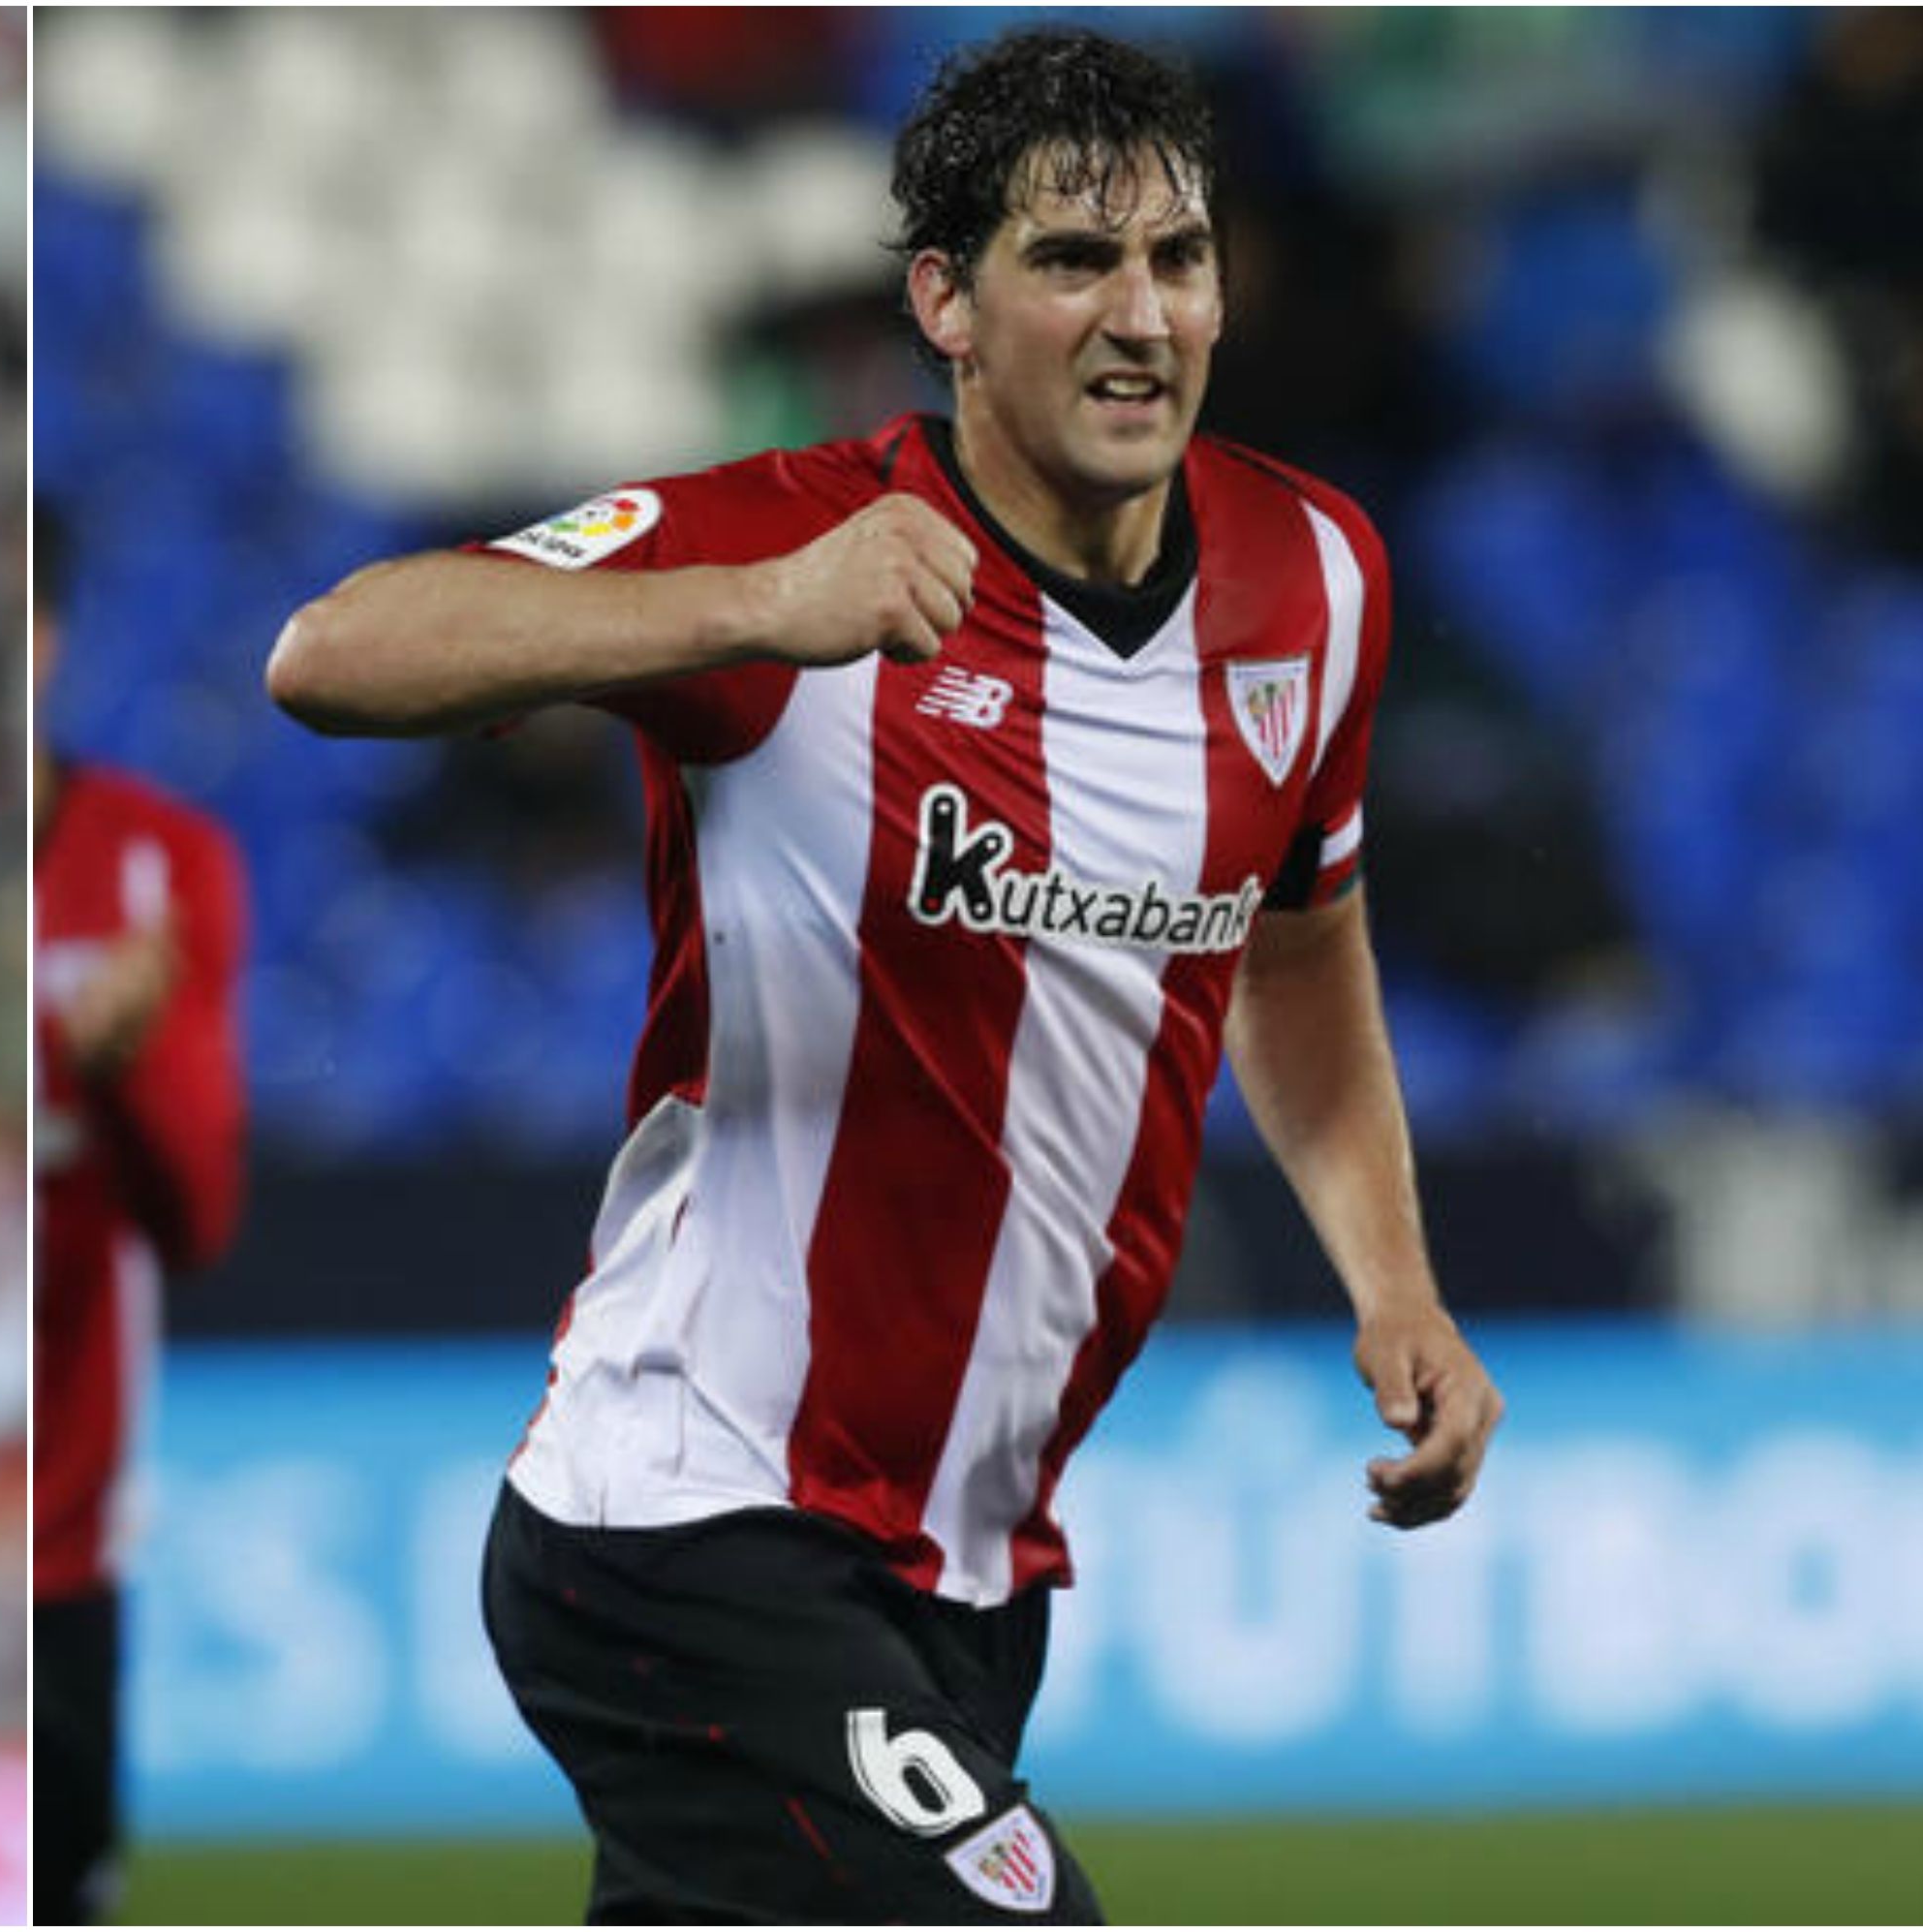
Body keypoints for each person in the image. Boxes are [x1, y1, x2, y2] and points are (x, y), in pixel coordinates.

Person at [265, 28, 1501, 1924]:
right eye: (1069, 261)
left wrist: (1395, 1280)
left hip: (963, 1567)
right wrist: (750, 608)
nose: (1138, 314)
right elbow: (336, 651)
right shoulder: (787, 544)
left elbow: (1302, 943)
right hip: (691, 1522)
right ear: (940, 297)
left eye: (1176, 259)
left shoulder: (1310, 576)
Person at [31, 511, 248, 1924]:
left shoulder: (158, 865)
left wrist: (123, 1072)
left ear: (46, 640)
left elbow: (198, 1215)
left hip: (60, 1534)